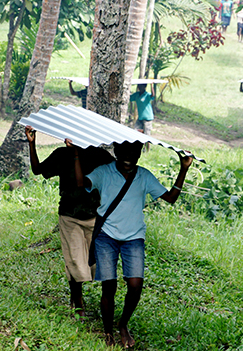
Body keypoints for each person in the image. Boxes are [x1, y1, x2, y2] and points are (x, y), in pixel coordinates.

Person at [71, 140, 193, 348]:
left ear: (139, 154)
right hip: (106, 236)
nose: (129, 155)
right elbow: (82, 184)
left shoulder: (143, 176)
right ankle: (108, 332)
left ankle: (123, 324)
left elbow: (171, 198)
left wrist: (184, 169)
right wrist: (75, 154)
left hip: (133, 238)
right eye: (125, 150)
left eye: (134, 151)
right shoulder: (104, 172)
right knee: (109, 286)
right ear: (116, 151)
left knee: (135, 285)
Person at [24, 125, 114, 317]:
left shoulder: (100, 156)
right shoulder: (62, 155)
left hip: (95, 215)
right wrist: (32, 144)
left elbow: (117, 173)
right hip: (69, 215)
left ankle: (92, 302)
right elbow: (38, 170)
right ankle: (78, 304)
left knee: (95, 262)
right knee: (74, 260)